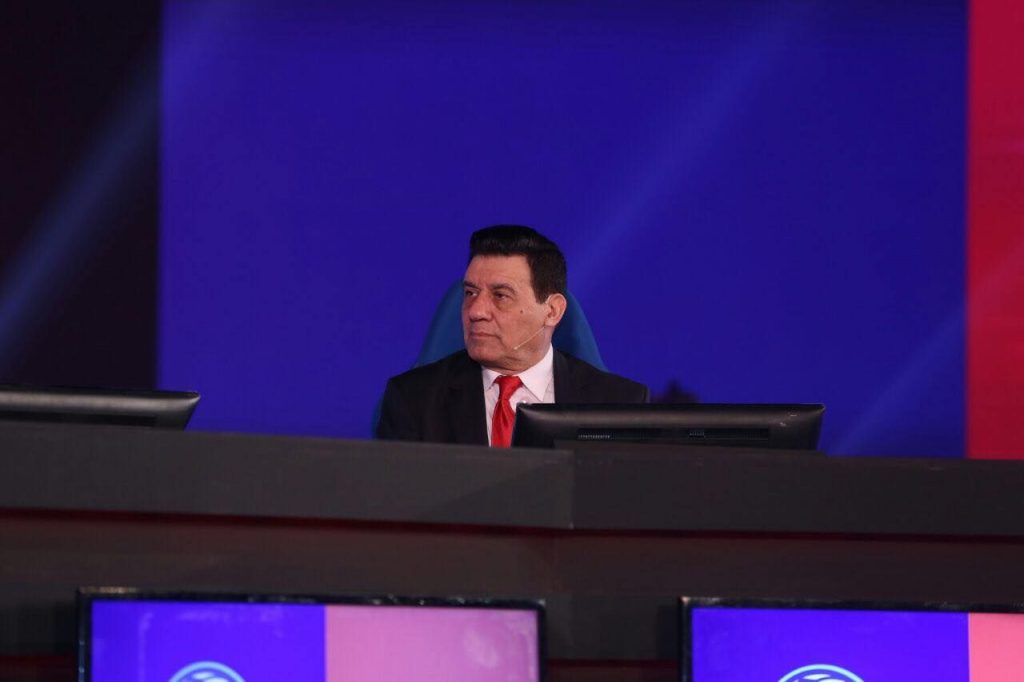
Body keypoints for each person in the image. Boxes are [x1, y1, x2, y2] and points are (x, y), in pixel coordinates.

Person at [376, 225, 649, 446]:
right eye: (470, 293)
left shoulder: (621, 404)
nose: (476, 311)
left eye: (500, 296)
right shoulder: (413, 400)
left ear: (552, 311)